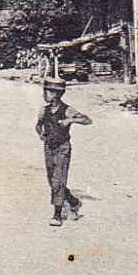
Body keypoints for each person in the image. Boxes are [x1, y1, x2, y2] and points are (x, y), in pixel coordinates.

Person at [36, 76, 92, 226]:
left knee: (58, 180)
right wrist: (41, 133)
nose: (44, 95)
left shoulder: (66, 110)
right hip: (49, 148)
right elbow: (38, 125)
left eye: (46, 92)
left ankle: (57, 215)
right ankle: (73, 201)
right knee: (52, 180)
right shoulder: (44, 110)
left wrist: (70, 120)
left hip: (63, 147)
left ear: (55, 94)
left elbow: (87, 120)